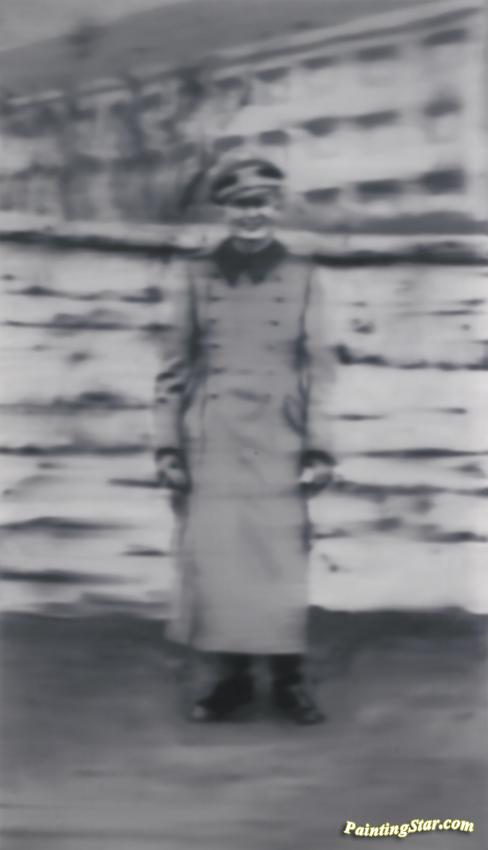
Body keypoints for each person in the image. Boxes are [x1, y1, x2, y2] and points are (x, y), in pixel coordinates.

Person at [153, 156, 337, 724]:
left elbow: (318, 369)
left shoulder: (303, 275)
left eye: (260, 203)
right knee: (221, 559)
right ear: (224, 211)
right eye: (239, 205)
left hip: (280, 434)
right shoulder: (196, 275)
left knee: (280, 558)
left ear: (276, 207)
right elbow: (173, 368)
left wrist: (319, 446)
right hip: (215, 436)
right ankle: (231, 681)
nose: (250, 215)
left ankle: (288, 681)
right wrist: (168, 447)